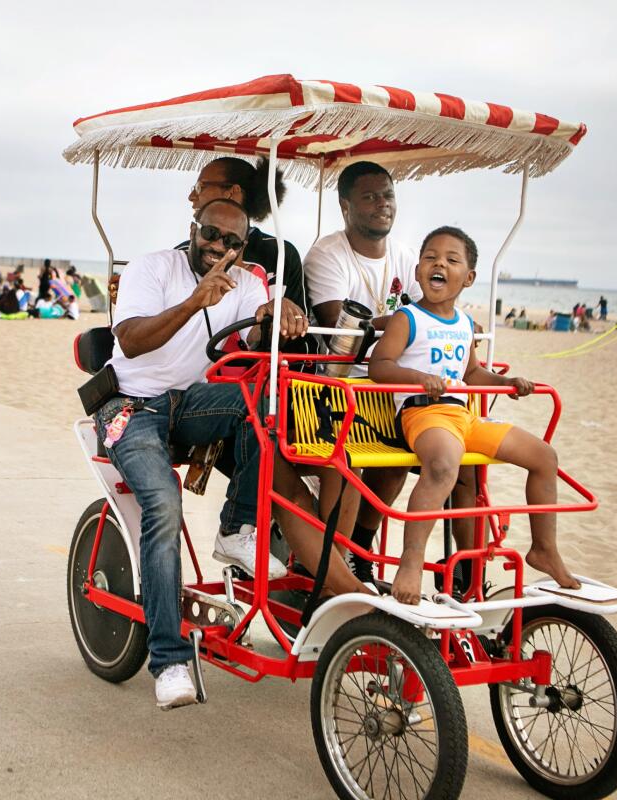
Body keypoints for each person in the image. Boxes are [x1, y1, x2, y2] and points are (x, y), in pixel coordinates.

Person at [99, 198, 364, 709]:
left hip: (192, 401)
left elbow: (253, 337)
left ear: (245, 246)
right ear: (193, 229)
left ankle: (237, 527)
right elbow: (130, 342)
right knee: (162, 506)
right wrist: (193, 302)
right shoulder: (152, 268)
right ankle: (170, 661)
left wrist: (275, 314)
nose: (218, 247)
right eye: (210, 235)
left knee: (267, 407)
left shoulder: (246, 280)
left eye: (232, 242)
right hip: (130, 403)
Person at [368, 226, 580, 604]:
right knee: (445, 467)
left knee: (544, 457)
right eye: (431, 257)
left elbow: (471, 374)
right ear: (418, 271)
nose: (438, 264)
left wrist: (506, 382)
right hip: (425, 414)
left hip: (463, 416)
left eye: (451, 260)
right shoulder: (407, 318)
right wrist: (419, 378)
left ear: (468, 278)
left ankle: (544, 549)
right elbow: (379, 366)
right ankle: (411, 562)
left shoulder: (465, 325)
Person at [302, 161, 426, 578]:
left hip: (390, 383)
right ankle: (333, 559)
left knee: (419, 453)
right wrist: (404, 324)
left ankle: (360, 545)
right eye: (370, 197)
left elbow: (433, 313)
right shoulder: (328, 254)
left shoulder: (407, 257)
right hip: (338, 384)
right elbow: (340, 328)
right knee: (353, 456)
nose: (382, 205)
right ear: (345, 206)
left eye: (387, 195)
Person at [178, 157, 307, 312]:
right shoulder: (179, 256)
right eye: (210, 234)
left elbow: (298, 326)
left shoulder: (281, 254)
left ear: (232, 192)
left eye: (200, 187)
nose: (191, 196)